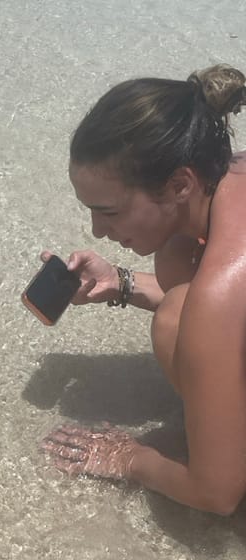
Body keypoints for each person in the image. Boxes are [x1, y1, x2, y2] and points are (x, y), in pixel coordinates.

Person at [40, 64, 246, 515]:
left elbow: (216, 494)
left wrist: (129, 458)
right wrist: (122, 283)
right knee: (178, 263)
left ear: (179, 184)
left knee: (175, 319)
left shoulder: (223, 285)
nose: (96, 230)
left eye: (109, 211)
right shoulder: (228, 171)